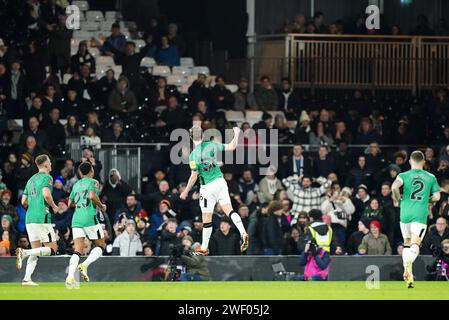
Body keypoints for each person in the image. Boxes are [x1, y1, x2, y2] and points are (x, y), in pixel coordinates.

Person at [179, 125, 248, 255]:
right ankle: (243, 232)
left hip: (207, 188)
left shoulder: (193, 156)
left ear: (190, 138)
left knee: (207, 218)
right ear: (203, 136)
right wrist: (237, 133)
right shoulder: (211, 145)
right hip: (221, 182)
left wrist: (186, 191)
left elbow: (194, 175)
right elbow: (232, 146)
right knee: (229, 210)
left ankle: (204, 248)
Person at [392, 150, 441, 288]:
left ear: (410, 162)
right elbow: (437, 197)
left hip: (405, 213)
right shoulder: (430, 177)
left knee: (407, 243)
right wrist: (428, 200)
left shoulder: (403, 175)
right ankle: (407, 264)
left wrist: (397, 199)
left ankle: (408, 273)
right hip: (419, 214)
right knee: (415, 244)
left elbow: (394, 187)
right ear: (424, 162)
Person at [15, 155, 59, 286]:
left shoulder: (31, 179)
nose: (51, 163)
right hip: (42, 217)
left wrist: (33, 204)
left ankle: (27, 278)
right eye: (49, 162)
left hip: (30, 218)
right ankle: (24, 252)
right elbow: (46, 194)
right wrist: (54, 206)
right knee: (52, 249)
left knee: (37, 250)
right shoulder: (47, 178)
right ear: (45, 165)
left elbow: (23, 201)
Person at [65, 162, 107, 289]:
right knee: (101, 245)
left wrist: (79, 204)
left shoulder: (76, 184)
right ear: (91, 171)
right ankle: (84, 265)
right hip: (89, 218)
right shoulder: (94, 182)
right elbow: (92, 195)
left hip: (76, 219)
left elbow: (69, 204)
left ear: (80, 173)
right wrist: (101, 206)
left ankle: (70, 277)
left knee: (77, 250)